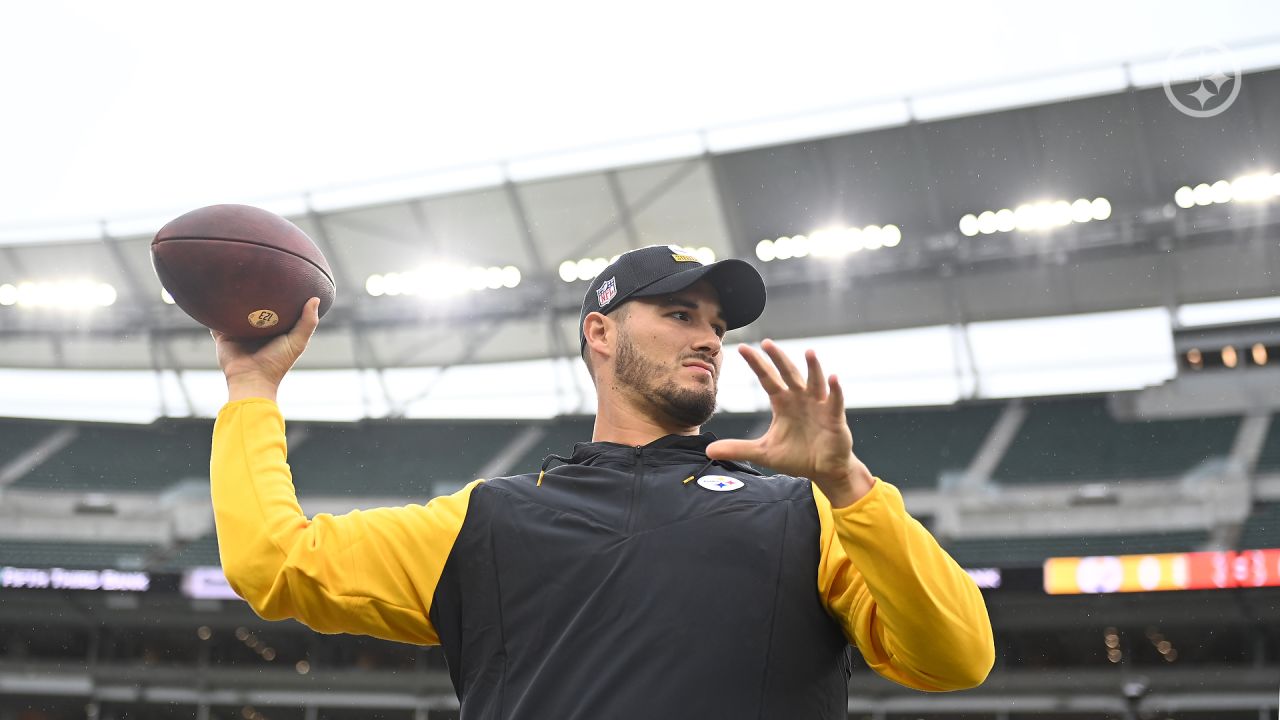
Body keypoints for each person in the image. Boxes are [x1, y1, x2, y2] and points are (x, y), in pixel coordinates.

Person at [210, 245, 994, 719]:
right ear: (600, 332)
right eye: (681, 316)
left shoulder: (804, 516)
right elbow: (273, 562)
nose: (709, 341)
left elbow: (958, 656)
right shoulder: (486, 522)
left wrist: (850, 484)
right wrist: (252, 387)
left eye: (719, 327)